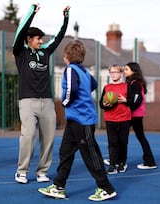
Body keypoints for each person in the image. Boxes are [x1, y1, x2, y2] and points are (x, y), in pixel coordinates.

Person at [38, 40, 116, 201]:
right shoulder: (85, 72)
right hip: (75, 119)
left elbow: (71, 90)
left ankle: (106, 188)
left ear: (66, 56)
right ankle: (59, 186)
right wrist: (83, 96)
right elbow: (93, 85)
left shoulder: (70, 69)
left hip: (83, 120)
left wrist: (66, 103)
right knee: (65, 152)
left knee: (90, 154)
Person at [12, 3, 70, 184]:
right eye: (38, 39)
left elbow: (59, 37)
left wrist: (66, 17)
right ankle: (22, 171)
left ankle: (42, 171)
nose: (41, 41)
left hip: (47, 101)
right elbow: (20, 31)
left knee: (49, 138)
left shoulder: (45, 52)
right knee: (28, 135)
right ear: (29, 39)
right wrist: (32, 12)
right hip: (28, 101)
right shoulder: (20, 52)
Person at [100, 64, 133, 174]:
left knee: (123, 142)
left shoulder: (126, 86)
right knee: (112, 142)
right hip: (110, 119)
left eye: (116, 72)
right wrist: (105, 104)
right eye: (112, 72)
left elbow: (133, 101)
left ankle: (122, 163)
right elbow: (101, 103)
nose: (114, 74)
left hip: (124, 119)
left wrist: (126, 100)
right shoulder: (107, 87)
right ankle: (113, 164)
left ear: (121, 74)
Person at [124, 62, 158, 169]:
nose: (124, 71)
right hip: (134, 114)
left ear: (133, 71)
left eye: (126, 69)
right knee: (136, 137)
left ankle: (150, 161)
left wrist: (128, 105)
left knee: (126, 136)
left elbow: (137, 100)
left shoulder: (135, 83)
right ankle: (149, 160)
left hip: (135, 115)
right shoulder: (134, 83)